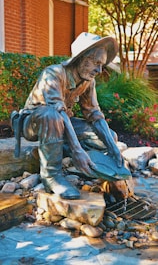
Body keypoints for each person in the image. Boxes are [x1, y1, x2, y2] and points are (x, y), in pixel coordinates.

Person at [12, 32, 123, 200]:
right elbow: (57, 110)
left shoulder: (88, 81)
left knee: (109, 137)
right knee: (52, 115)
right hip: (33, 123)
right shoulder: (53, 73)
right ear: (81, 57)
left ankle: (70, 154)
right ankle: (51, 175)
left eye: (102, 65)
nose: (99, 70)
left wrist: (113, 148)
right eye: (96, 63)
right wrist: (77, 149)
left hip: (61, 122)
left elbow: (94, 114)